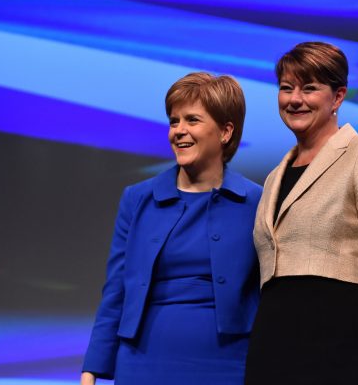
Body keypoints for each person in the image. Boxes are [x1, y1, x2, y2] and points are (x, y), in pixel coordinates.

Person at [245, 42, 358, 385]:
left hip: (339, 333)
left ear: (337, 97)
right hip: (273, 339)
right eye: (286, 88)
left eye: (309, 88)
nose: (295, 99)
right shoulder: (275, 176)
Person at [81, 72, 262, 385]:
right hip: (143, 361)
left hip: (228, 364)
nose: (179, 131)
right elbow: (116, 291)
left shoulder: (257, 202)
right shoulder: (137, 199)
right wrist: (91, 370)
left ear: (225, 131)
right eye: (174, 121)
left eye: (192, 120)